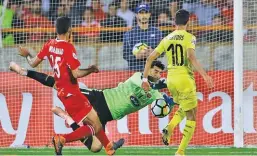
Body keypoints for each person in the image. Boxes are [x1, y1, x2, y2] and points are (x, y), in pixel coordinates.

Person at [9, 60, 175, 152]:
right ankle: (25, 72)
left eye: (159, 72)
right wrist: (162, 84)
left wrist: (171, 100)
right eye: (154, 70)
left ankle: (67, 119)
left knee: (95, 147)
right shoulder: (138, 77)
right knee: (58, 84)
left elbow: (162, 101)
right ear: (148, 70)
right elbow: (147, 86)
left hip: (106, 115)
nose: (156, 74)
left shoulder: (156, 94)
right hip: (100, 99)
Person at [16, 16, 124, 155]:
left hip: (62, 93)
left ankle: (109, 148)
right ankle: (61, 139)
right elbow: (76, 74)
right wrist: (91, 69)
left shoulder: (49, 44)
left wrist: (27, 55)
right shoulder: (68, 47)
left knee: (95, 123)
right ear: (69, 30)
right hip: (73, 93)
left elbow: (32, 63)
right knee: (95, 124)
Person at [141, 9, 213, 155]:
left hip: (171, 79)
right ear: (188, 21)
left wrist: (144, 78)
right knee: (192, 115)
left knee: (184, 107)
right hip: (184, 79)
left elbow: (150, 59)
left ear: (175, 22)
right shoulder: (190, 37)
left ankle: (169, 127)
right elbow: (191, 57)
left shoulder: (167, 38)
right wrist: (205, 75)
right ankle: (180, 151)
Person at [123, 3, 163, 71]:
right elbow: (125, 55)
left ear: (149, 14)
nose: (144, 15)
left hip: (152, 71)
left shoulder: (157, 32)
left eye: (146, 13)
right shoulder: (129, 34)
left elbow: (163, 53)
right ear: (136, 15)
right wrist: (136, 56)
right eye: (141, 13)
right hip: (134, 71)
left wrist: (154, 53)